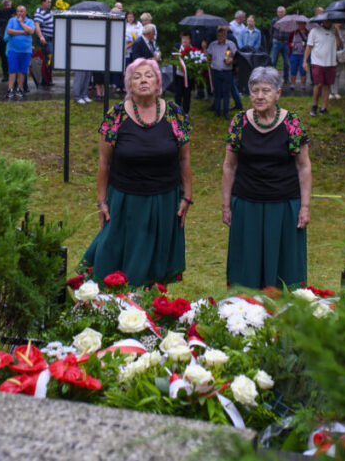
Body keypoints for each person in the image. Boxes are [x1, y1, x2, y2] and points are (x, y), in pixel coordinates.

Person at [80, 58, 192, 286]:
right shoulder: (116, 115)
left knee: (154, 260)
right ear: (129, 85)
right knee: (114, 254)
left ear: (158, 83)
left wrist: (186, 196)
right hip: (125, 198)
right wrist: (101, 201)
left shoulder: (175, 113)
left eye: (149, 75)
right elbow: (104, 161)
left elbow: (184, 159)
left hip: (164, 198)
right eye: (137, 76)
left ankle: (149, 308)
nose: (143, 80)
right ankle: (113, 305)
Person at [221, 66, 311, 289]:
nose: (259, 96)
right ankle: (245, 310)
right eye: (255, 91)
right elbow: (229, 166)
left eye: (266, 90)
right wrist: (226, 205)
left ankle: (284, 309)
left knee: (284, 263)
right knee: (246, 263)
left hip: (283, 205)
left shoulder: (292, 123)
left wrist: (305, 207)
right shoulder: (239, 122)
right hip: (246, 204)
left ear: (278, 93)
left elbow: (304, 167)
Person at [303, 18, 338, 116]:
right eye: (326, 21)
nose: (328, 22)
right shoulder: (314, 31)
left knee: (327, 85)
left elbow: (339, 45)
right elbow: (309, 46)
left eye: (330, 21)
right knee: (318, 84)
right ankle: (314, 106)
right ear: (322, 21)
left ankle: (324, 108)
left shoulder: (334, 31)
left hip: (331, 63)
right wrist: (305, 61)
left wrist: (336, 34)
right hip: (317, 62)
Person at [4, 4, 35, 99]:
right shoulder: (12, 20)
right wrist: (23, 32)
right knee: (12, 69)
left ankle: (19, 88)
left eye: (22, 11)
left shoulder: (29, 21)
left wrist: (21, 24)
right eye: (18, 11)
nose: (19, 13)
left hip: (26, 50)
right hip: (13, 49)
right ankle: (10, 89)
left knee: (23, 70)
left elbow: (31, 31)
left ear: (25, 12)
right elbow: (9, 31)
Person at [206, 26, 238, 118]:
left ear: (225, 35)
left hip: (227, 72)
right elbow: (208, 56)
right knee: (217, 92)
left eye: (222, 36)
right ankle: (217, 111)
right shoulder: (213, 45)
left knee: (226, 93)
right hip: (215, 71)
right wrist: (204, 49)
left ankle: (226, 111)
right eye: (218, 36)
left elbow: (237, 56)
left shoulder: (231, 44)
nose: (220, 38)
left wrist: (231, 60)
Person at [173, 32, 201, 114]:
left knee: (187, 95)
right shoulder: (177, 47)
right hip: (178, 76)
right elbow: (173, 59)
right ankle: (177, 112)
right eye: (183, 38)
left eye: (186, 38)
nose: (184, 40)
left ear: (190, 40)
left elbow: (197, 63)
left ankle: (186, 112)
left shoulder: (193, 50)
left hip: (189, 77)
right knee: (178, 95)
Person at [0, 0, 16, 82]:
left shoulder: (14, 12)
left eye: (8, 5)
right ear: (2, 6)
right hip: (2, 38)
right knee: (4, 57)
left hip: (13, 38)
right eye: (5, 5)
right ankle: (6, 75)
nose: (7, 7)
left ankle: (13, 75)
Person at [33, 0, 54, 87]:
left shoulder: (47, 12)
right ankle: (45, 80)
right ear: (43, 2)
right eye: (48, 2)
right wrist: (41, 36)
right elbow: (36, 25)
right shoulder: (40, 12)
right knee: (48, 59)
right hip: (46, 39)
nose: (50, 4)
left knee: (48, 60)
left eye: (50, 2)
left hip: (50, 39)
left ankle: (47, 79)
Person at [270, 6, 290, 82]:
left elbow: (290, 31)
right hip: (276, 42)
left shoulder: (288, 21)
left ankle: (286, 78)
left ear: (285, 13)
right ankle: (271, 78)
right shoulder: (274, 20)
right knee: (273, 61)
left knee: (286, 62)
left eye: (282, 12)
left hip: (285, 42)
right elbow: (271, 31)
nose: (280, 13)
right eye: (279, 12)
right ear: (277, 13)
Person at [288, 21, 309, 92]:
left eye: (302, 23)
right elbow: (288, 41)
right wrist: (291, 44)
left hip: (303, 54)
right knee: (293, 70)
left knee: (303, 70)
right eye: (299, 24)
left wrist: (306, 44)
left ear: (305, 24)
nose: (300, 25)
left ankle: (303, 85)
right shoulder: (293, 32)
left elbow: (310, 43)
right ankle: (292, 84)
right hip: (294, 54)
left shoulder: (307, 33)